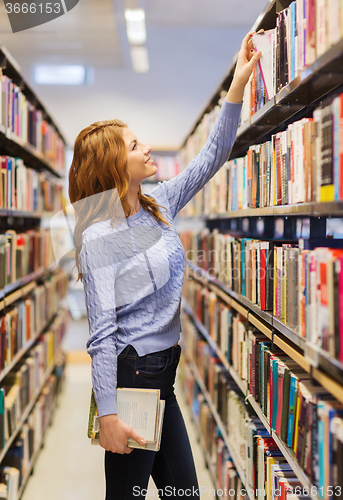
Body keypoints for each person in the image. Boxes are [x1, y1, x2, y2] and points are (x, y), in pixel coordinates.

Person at [68, 31, 261, 500]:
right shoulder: (99, 238)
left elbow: (211, 158)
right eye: (135, 145)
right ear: (116, 164)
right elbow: (102, 334)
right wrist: (109, 414)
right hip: (135, 377)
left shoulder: (160, 201)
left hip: (164, 374)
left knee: (184, 493)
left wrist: (237, 85)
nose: (147, 148)